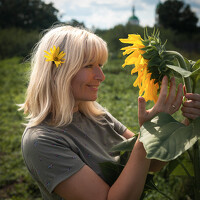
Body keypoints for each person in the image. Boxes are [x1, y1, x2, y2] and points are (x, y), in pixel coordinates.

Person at [20, 25, 200, 200]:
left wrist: (187, 121)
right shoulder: (41, 141)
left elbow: (151, 163)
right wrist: (147, 133)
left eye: (100, 65)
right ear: (57, 71)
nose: (101, 76)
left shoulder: (96, 114)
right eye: (89, 65)